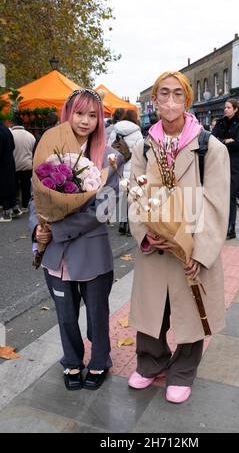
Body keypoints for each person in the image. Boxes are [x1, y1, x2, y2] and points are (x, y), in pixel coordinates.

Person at [128, 71, 230, 404]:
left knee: (189, 311)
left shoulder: (208, 147)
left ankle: (183, 370)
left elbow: (216, 204)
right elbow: (134, 196)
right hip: (156, 249)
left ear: (186, 100)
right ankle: (151, 362)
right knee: (151, 311)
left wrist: (198, 254)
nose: (170, 102)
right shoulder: (144, 147)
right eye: (163, 94)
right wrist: (146, 234)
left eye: (177, 95)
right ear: (154, 101)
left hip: (191, 248)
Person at [29, 89, 124, 391]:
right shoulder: (50, 149)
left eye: (92, 115)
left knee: (97, 314)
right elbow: (37, 198)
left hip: (92, 252)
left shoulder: (110, 157)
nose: (85, 120)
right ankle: (71, 360)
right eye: (79, 113)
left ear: (100, 119)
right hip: (56, 255)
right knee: (65, 313)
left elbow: (105, 207)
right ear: (67, 114)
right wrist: (37, 229)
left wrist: (56, 230)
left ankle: (100, 361)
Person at [212, 99, 239, 240]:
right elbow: (212, 140)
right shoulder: (220, 123)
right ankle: (221, 225)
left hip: (236, 163)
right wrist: (226, 141)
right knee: (221, 195)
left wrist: (226, 142)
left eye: (228, 107)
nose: (225, 110)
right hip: (220, 161)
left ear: (235, 109)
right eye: (225, 107)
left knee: (231, 195)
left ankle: (231, 227)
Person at [109, 109, 143, 235]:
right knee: (132, 197)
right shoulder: (137, 133)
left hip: (119, 168)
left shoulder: (115, 131)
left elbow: (109, 149)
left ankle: (122, 222)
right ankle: (130, 225)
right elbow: (139, 152)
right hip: (133, 168)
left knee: (123, 197)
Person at [11, 114, 36, 212]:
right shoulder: (30, 136)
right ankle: (26, 206)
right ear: (22, 124)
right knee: (26, 187)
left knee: (14, 186)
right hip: (27, 166)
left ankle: (16, 205)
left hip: (14, 166)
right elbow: (33, 151)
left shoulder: (10, 134)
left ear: (13, 123)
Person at [0, 121, 22, 222]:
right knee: (10, 184)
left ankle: (6, 214)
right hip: (9, 160)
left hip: (2, 163)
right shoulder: (6, 130)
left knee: (3, 186)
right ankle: (14, 208)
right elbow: (13, 146)